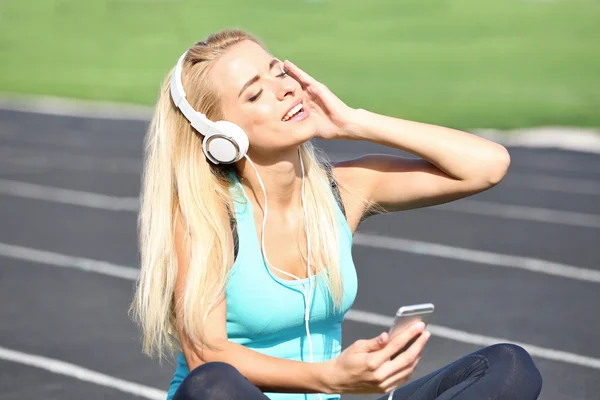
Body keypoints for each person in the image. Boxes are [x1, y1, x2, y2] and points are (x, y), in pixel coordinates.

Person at [130, 28, 542, 400]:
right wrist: (331, 378)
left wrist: (354, 121)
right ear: (221, 136)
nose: (284, 89)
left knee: (508, 368)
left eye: (278, 72)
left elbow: (486, 166)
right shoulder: (205, 215)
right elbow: (206, 356)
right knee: (213, 387)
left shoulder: (343, 189)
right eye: (255, 94)